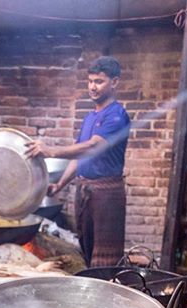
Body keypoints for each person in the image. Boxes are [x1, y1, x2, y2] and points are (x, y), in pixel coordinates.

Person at [26, 56, 131, 267]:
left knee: (106, 256)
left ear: (115, 82)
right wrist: (59, 185)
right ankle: (91, 288)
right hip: (85, 191)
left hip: (106, 194)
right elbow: (80, 155)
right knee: (86, 247)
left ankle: (107, 291)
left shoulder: (117, 116)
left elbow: (93, 146)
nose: (93, 87)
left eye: (99, 82)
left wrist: (51, 151)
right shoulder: (90, 117)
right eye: (90, 81)